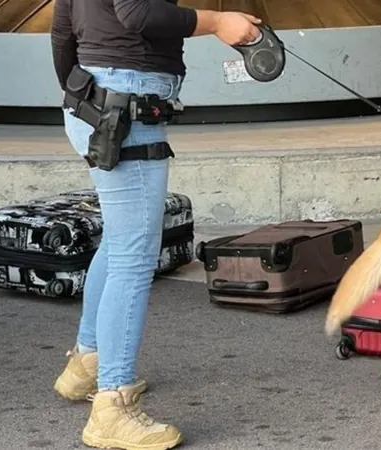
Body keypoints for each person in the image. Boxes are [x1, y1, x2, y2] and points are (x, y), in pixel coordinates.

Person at [49, 1, 261, 449]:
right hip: (125, 105)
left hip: (96, 98)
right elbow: (138, 13)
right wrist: (219, 22)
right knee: (134, 255)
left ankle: (86, 364)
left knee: (121, 242)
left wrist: (80, 94)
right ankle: (112, 407)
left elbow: (63, 28)